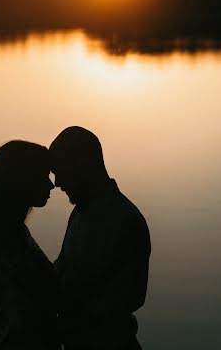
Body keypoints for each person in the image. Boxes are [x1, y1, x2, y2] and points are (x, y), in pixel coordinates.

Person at [49, 126, 151, 350]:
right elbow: (63, 271)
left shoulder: (125, 220)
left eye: (61, 172)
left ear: (82, 165)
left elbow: (129, 297)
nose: (57, 183)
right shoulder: (78, 213)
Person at [0, 140, 61, 350]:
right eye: (43, 176)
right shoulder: (7, 239)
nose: (51, 184)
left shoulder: (8, 231)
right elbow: (41, 298)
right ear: (22, 180)